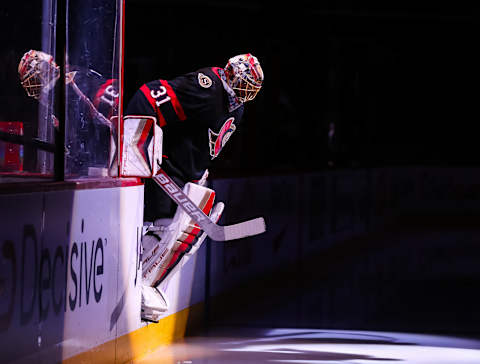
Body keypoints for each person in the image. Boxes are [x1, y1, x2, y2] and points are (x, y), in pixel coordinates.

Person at [125, 53, 264, 321]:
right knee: (164, 230)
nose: (244, 93)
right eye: (243, 85)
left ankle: (148, 286)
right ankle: (140, 286)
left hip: (187, 177)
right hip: (166, 170)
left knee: (187, 235)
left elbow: (208, 142)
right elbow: (148, 94)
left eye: (251, 90)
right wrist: (137, 142)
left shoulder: (238, 107)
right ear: (232, 74)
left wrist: (199, 172)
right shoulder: (207, 86)